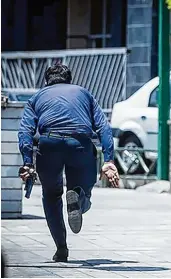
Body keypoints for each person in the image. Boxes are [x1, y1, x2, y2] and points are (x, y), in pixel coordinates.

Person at [18, 64, 120, 262]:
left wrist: (28, 162)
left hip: (49, 145)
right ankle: (79, 198)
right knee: (83, 189)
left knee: (51, 196)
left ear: (47, 81)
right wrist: (108, 160)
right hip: (80, 145)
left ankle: (61, 249)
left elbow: (25, 132)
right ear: (69, 79)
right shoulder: (84, 94)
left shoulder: (36, 98)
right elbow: (103, 128)